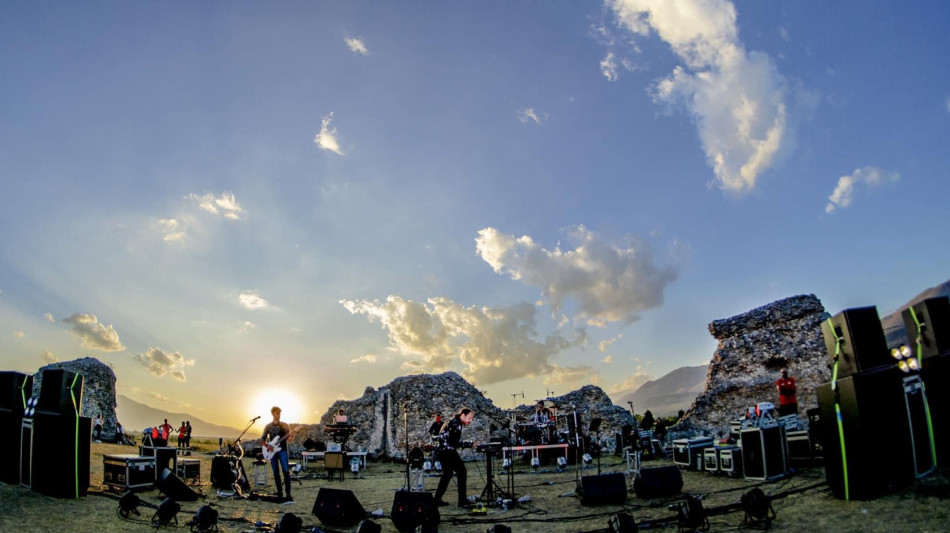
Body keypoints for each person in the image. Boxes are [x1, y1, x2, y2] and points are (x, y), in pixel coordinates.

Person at [433, 407, 476, 508]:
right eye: (469, 418)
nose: (470, 421)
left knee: (447, 474)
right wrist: (469, 444)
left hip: (442, 451)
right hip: (447, 451)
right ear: (463, 415)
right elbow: (454, 442)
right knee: (462, 472)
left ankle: (437, 499)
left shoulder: (454, 422)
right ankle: (462, 501)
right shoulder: (456, 424)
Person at [261, 406, 294, 503]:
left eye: (279, 413)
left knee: (286, 472)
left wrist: (291, 436)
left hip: (282, 450)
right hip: (272, 452)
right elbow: (262, 439)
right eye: (277, 413)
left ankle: (288, 493)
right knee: (276, 472)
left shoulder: (284, 425)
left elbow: (289, 439)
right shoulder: (268, 426)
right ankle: (280, 492)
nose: (279, 415)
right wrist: (267, 446)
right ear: (273, 414)